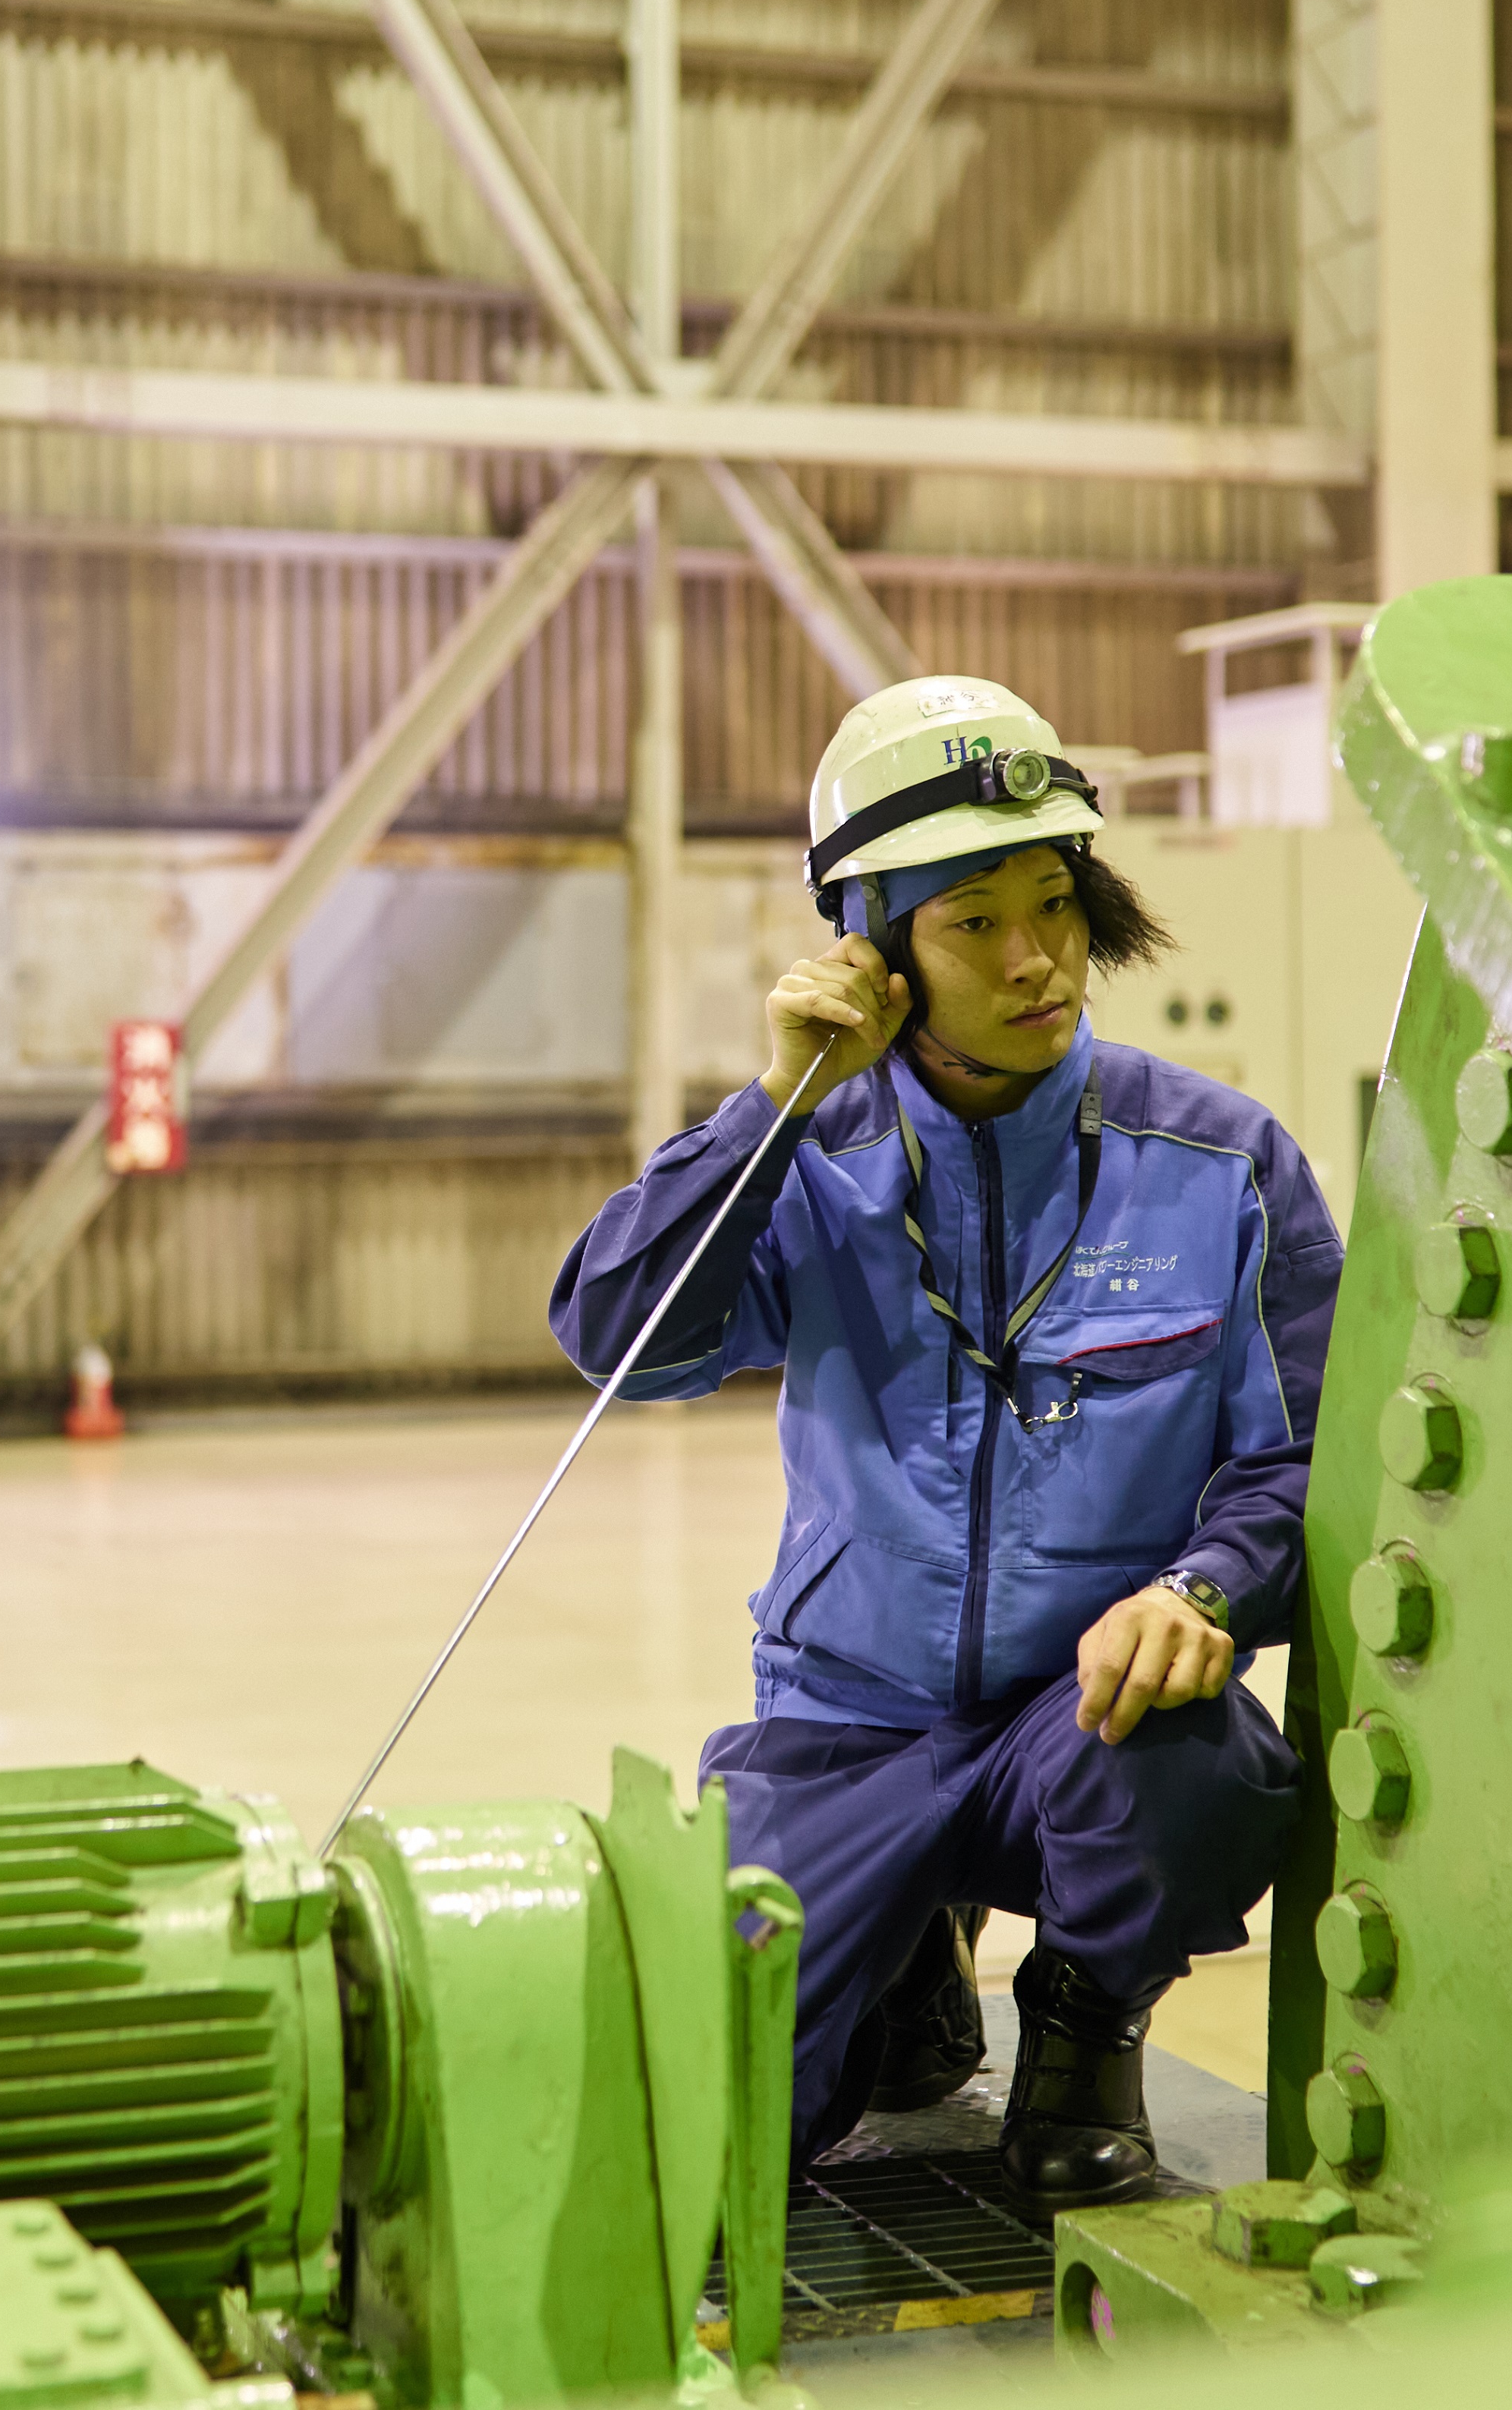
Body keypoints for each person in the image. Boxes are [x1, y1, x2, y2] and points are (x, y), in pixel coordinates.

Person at [551, 673, 1343, 2215]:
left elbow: (1299, 1461)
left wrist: (1202, 1589)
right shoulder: (811, 1157)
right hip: (847, 1726)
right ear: (874, 945)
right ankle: (904, 1967)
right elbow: (613, 1338)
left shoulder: (1224, 1166)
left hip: (1083, 1720)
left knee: (1203, 1772)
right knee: (707, 2143)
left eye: (1054, 901)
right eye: (973, 920)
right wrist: (773, 1105)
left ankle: (1080, 2028)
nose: (1037, 957)